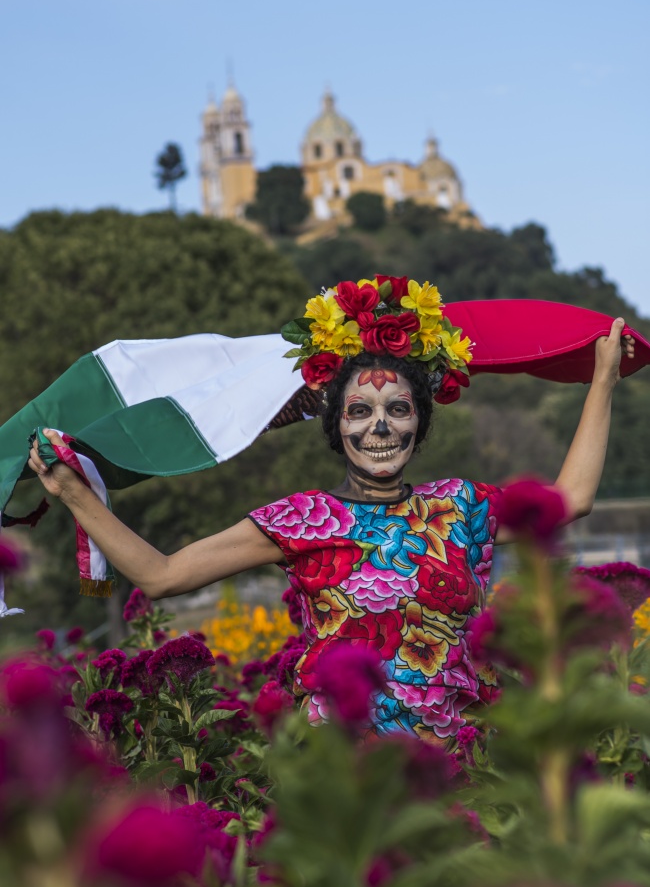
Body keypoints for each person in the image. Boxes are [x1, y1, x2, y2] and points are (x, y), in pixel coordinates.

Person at [28, 277, 635, 742]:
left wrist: (602, 379)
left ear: (419, 425)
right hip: (343, 775)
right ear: (336, 426)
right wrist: (79, 495)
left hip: (453, 763)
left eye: (398, 409)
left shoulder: (461, 506)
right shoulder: (301, 519)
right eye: (359, 411)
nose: (379, 426)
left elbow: (571, 500)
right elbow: (163, 576)